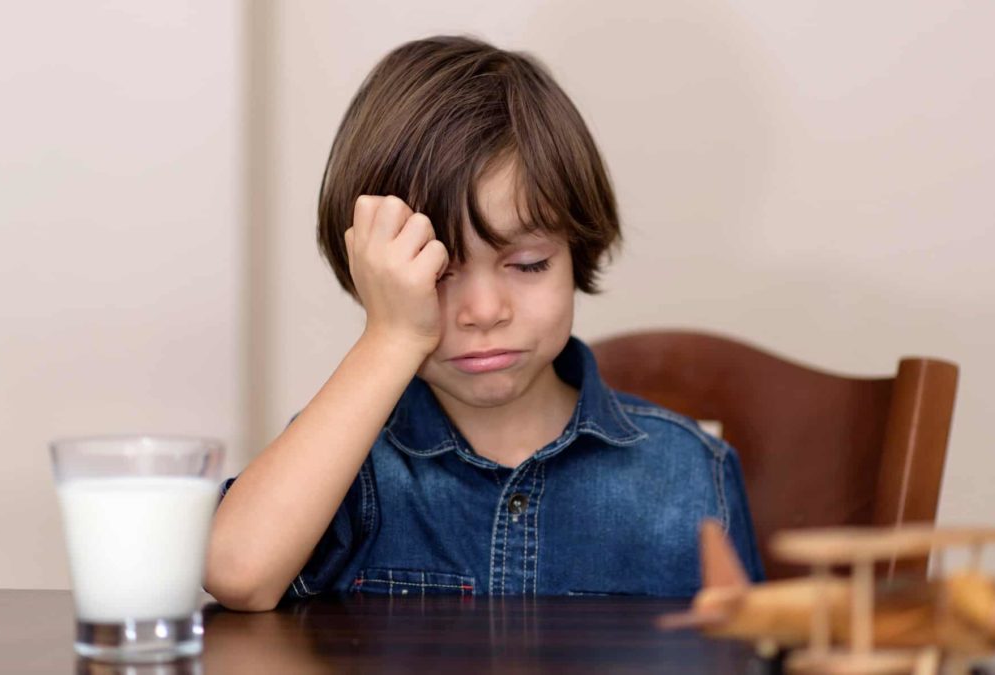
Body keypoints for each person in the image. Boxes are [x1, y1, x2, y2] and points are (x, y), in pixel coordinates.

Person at [205, 35, 763, 611]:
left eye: (527, 264)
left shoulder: (691, 469)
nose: (485, 310)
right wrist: (392, 336)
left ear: (578, 252)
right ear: (375, 274)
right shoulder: (343, 465)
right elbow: (235, 570)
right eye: (438, 270)